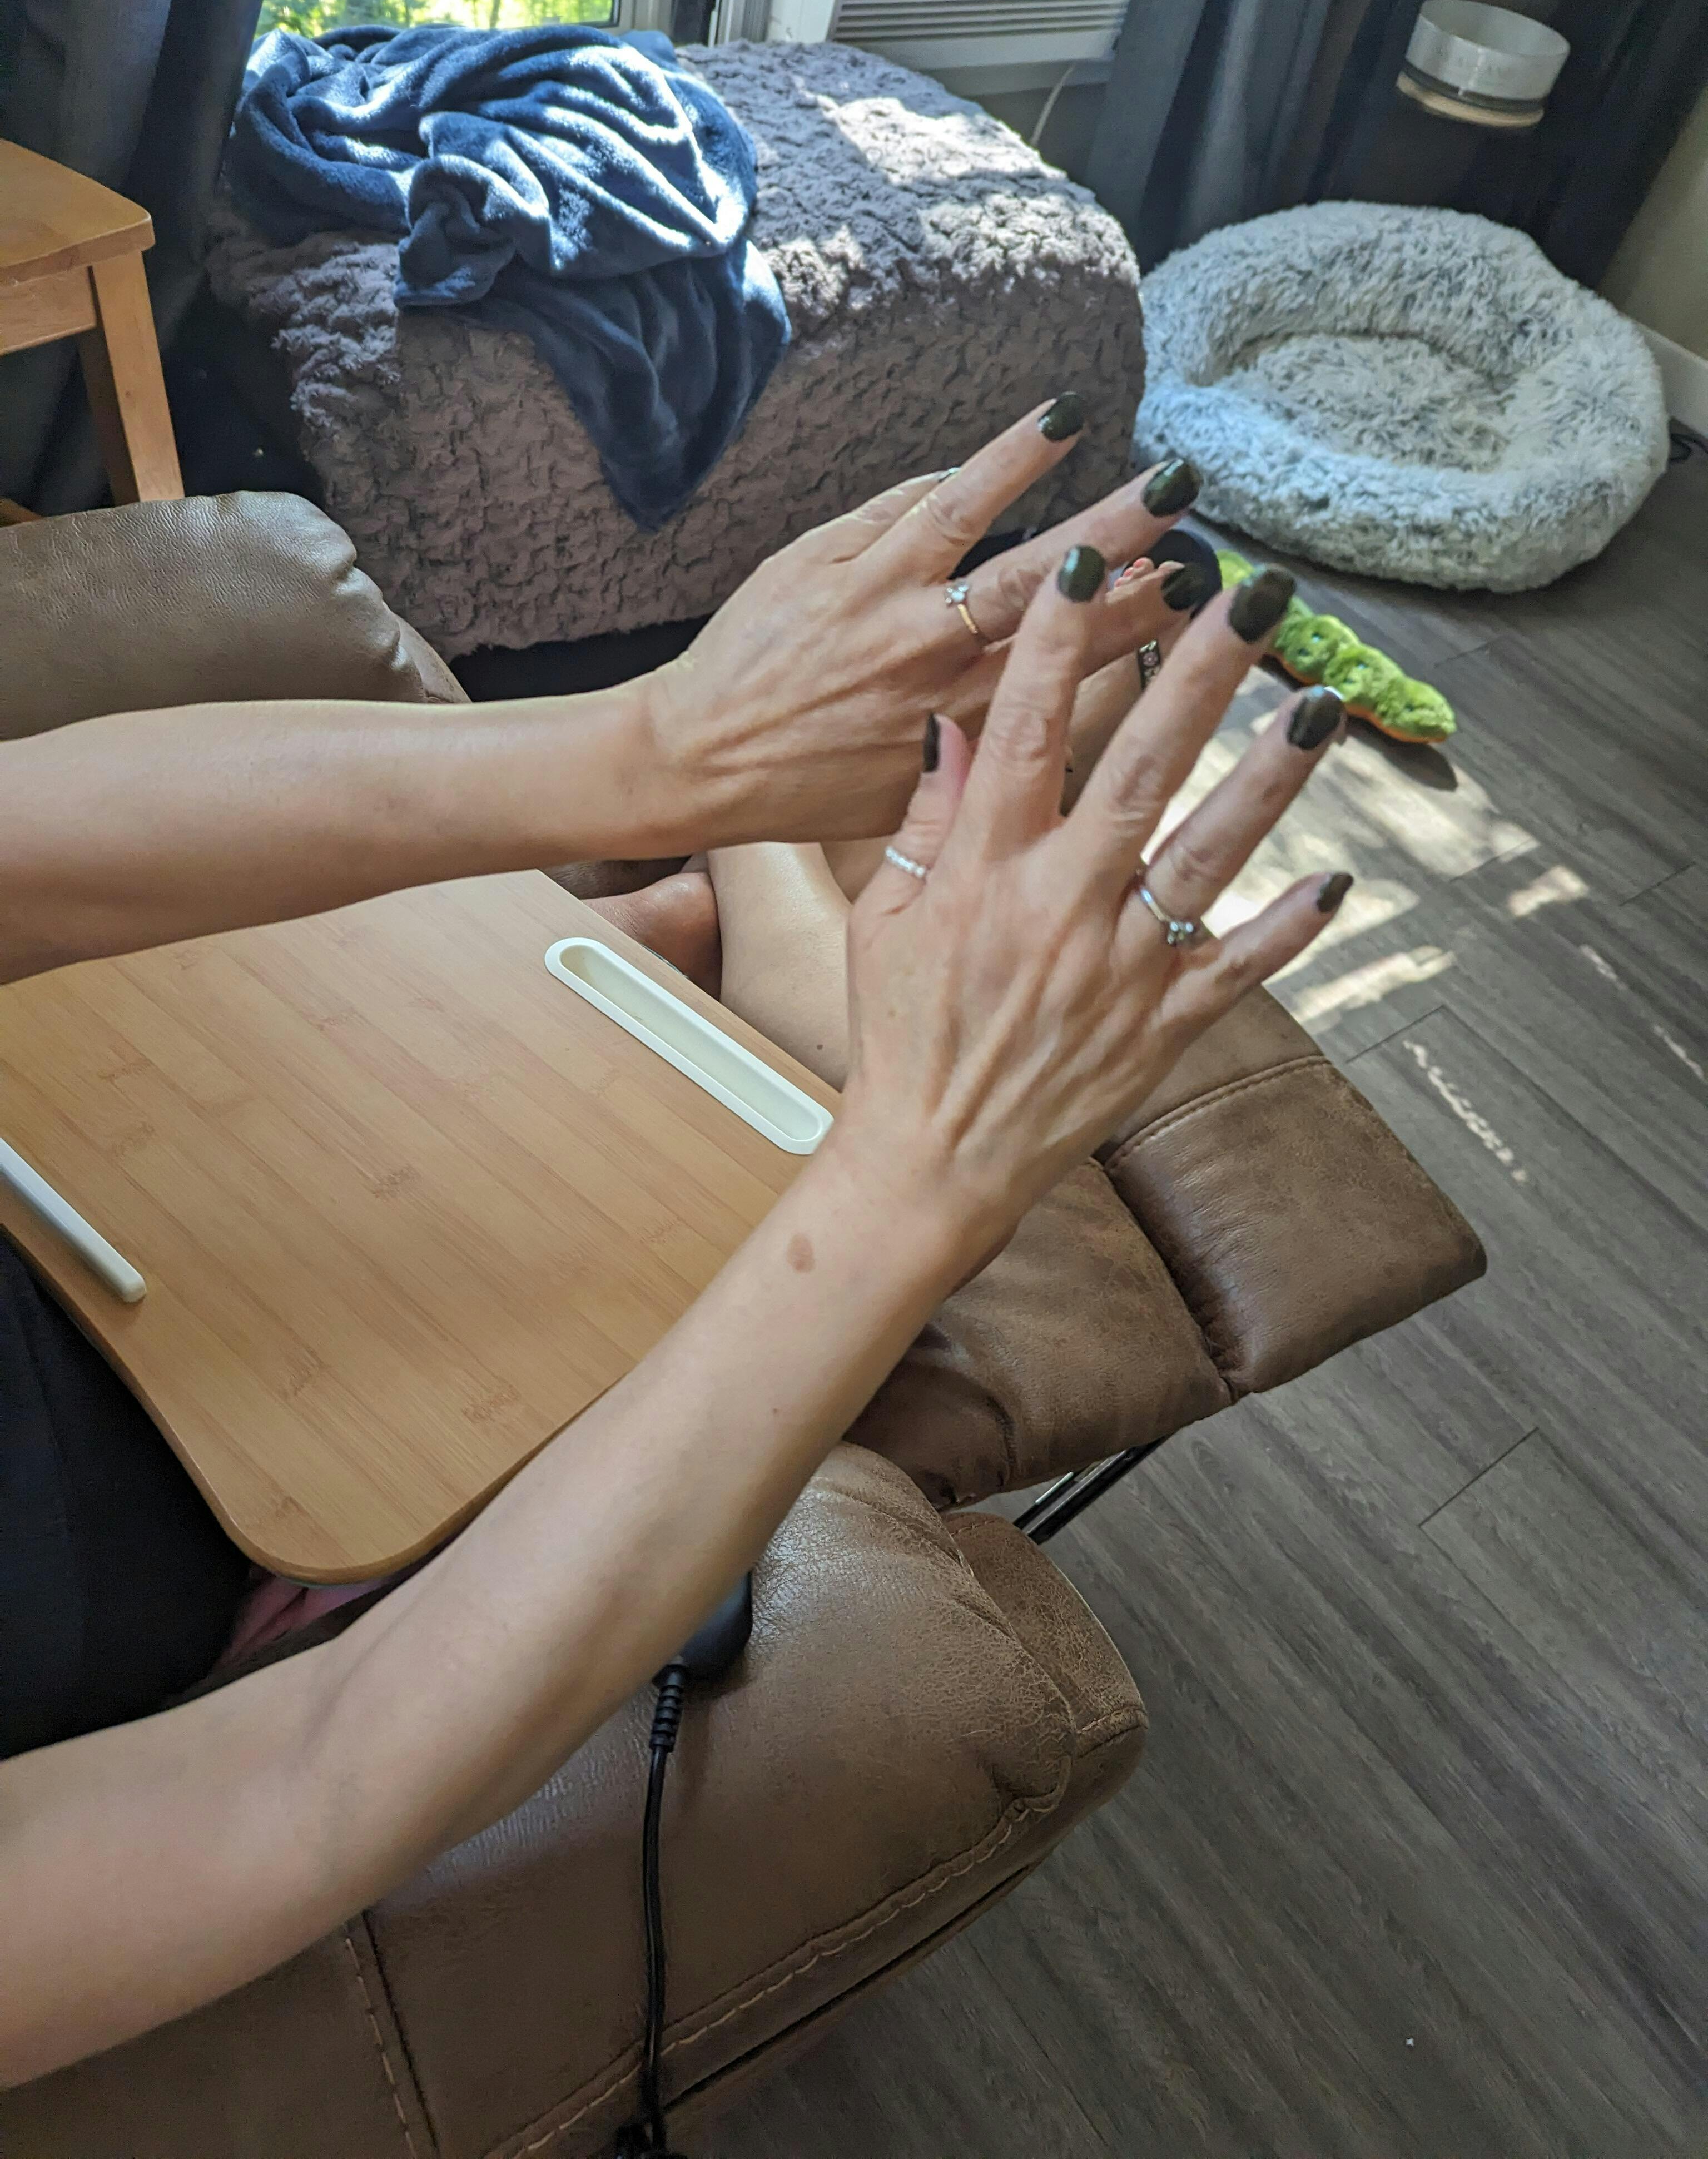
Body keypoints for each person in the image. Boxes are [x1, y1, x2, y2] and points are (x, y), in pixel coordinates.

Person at [0, 395, 1348, 2087]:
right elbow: (308, 1783)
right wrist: (921, 1178)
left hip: (109, 1176)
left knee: (668, 951)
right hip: (268, 1485)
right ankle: (769, 868)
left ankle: (748, 862)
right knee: (775, 1049)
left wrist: (663, 741)